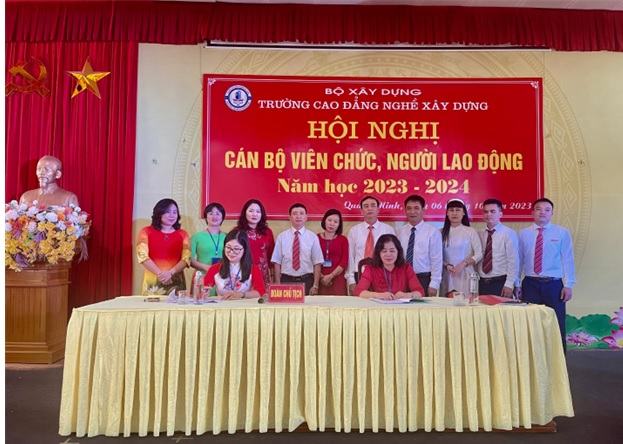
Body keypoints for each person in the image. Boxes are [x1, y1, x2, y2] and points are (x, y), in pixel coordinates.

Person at [515, 198, 576, 350]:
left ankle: (559, 360)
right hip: (530, 284)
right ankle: (532, 358)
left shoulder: (561, 232)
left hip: (554, 285)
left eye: (547, 210)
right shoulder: (524, 234)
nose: (542, 212)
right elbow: (519, 261)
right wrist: (516, 283)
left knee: (557, 324)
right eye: (538, 209)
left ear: (552, 213)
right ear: (532, 212)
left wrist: (568, 284)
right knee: (530, 324)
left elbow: (568, 259)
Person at [136, 198, 190, 295]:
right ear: (159, 213)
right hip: (152, 282)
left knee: (176, 304)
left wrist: (170, 273)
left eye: (175, 212)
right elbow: (142, 256)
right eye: (168, 212)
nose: (172, 215)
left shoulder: (183, 234)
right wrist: (161, 274)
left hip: (176, 281)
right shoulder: (146, 232)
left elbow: (186, 259)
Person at [346, 195, 396, 295]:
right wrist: (351, 280)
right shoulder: (354, 231)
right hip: (359, 274)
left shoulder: (388, 230)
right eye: (366, 206)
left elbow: (393, 256)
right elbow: (350, 256)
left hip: (382, 275)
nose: (370, 208)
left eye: (373, 206)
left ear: (378, 209)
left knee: (381, 302)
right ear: (361, 211)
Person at [271, 203, 324, 295]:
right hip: (286, 280)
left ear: (306, 217)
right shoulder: (282, 237)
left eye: (301, 213)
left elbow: (317, 262)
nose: (298, 216)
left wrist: (315, 286)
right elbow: (277, 262)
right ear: (289, 217)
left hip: (307, 281)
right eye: (295, 213)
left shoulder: (313, 237)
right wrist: (278, 284)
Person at [397, 194, 443, 296]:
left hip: (423, 279)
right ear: (405, 210)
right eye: (409, 208)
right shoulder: (399, 232)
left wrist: (434, 284)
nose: (412, 212)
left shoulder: (432, 232)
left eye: (416, 208)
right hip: (402, 278)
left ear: (423, 210)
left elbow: (436, 260)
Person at [354, 234, 424, 300]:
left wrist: (408, 295)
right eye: (384, 251)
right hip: (378, 306)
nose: (388, 254)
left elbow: (420, 292)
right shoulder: (370, 268)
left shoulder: (406, 268)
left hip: (400, 306)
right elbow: (359, 291)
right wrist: (377, 295)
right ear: (379, 253)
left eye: (392, 251)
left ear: (398, 252)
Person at [203, 229, 266, 299]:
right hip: (222, 304)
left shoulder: (254, 269)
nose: (231, 252)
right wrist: (203, 292)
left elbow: (260, 292)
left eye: (236, 249)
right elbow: (203, 288)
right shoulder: (215, 269)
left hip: (244, 305)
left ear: (244, 250)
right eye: (228, 247)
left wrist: (242, 294)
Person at [440, 198, 483, 296]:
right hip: (448, 274)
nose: (454, 213)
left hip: (466, 273)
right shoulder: (440, 233)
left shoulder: (470, 231)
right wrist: (446, 265)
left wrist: (464, 263)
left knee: (466, 302)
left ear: (463, 213)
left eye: (458, 210)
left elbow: (479, 253)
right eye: (451, 210)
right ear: (447, 213)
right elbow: (436, 255)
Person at [478, 198, 519, 298]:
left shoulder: (508, 233)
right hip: (482, 283)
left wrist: (509, 284)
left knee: (501, 308)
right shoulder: (479, 234)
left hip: (501, 282)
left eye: (492, 211)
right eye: (486, 212)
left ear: (500, 214)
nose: (488, 214)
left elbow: (513, 261)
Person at [236, 198, 275, 288]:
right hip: (242, 273)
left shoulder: (267, 232)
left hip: (263, 274)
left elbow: (271, 256)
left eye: (258, 211)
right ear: (245, 213)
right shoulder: (237, 232)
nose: (254, 214)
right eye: (251, 211)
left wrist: (273, 277)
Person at [317, 209, 349, 295]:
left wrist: (331, 276)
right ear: (324, 221)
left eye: (335, 222)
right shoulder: (315, 238)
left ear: (339, 224)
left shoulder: (343, 240)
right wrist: (321, 276)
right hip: (319, 278)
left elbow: (344, 262)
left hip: (337, 278)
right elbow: (311, 260)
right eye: (329, 220)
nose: (332, 224)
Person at [190, 203, 227, 274]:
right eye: (211, 213)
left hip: (223, 275)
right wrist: (205, 267)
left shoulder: (228, 237)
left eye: (218, 214)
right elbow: (189, 259)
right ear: (206, 216)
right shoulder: (196, 237)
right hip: (202, 275)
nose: (214, 216)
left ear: (222, 217)